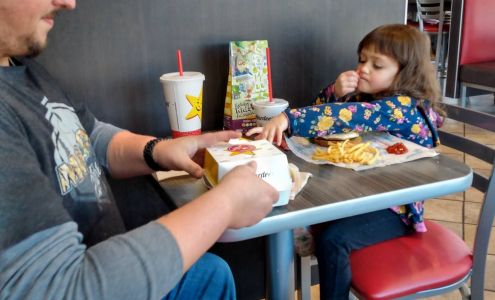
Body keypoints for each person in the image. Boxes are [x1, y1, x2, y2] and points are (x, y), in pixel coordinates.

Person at [0, 0, 279, 299]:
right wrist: (225, 204)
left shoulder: (20, 67)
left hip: (108, 256)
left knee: (211, 274)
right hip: (98, 281)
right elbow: (64, 289)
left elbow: (89, 136)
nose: (68, 3)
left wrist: (158, 151)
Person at [247, 24, 444, 299]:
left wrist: (289, 119)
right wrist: (334, 92)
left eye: (377, 65)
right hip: (369, 193)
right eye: (362, 60)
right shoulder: (373, 98)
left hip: (398, 210)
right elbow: (330, 114)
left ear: (405, 73)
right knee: (312, 221)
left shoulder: (400, 108)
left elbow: (348, 115)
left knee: (333, 239)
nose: (363, 69)